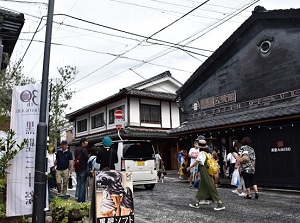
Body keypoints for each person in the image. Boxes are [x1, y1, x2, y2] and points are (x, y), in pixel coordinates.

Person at [187, 139, 225, 211]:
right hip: (208, 171)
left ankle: (220, 203)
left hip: (204, 171)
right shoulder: (208, 153)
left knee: (210, 186)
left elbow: (197, 162)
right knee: (202, 186)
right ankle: (197, 202)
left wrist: (189, 167)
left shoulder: (201, 153)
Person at [74, 137, 89, 202]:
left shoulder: (76, 149)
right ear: (82, 142)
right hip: (83, 168)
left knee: (78, 184)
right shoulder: (84, 150)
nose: (87, 142)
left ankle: (77, 198)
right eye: (86, 141)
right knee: (83, 185)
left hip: (78, 169)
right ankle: (81, 200)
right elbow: (87, 159)